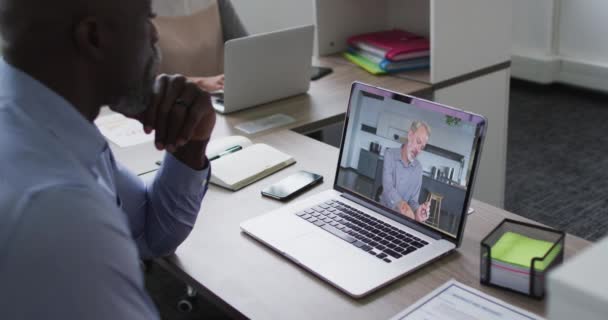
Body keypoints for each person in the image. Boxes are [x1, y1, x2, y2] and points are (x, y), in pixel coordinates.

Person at [0, 0, 216, 318]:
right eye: (147, 20)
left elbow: (149, 235)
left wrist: (190, 145)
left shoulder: (47, 121)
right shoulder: (60, 213)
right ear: (94, 37)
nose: (155, 35)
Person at [380, 121, 431, 222]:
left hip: (403, 220)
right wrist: (403, 206)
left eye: (422, 147)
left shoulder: (418, 168)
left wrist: (418, 211)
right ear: (410, 135)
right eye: (418, 141)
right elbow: (388, 188)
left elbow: (413, 201)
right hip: (383, 212)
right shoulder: (390, 154)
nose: (418, 150)